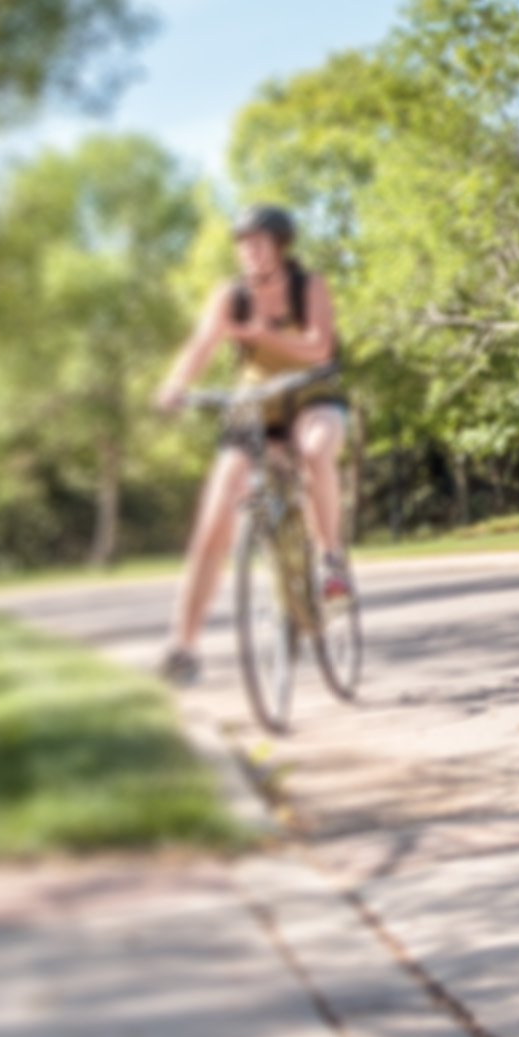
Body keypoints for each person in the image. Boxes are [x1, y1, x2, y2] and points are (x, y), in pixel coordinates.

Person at [151, 204, 356, 688]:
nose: (249, 252)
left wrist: (265, 336)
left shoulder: (310, 286)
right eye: (243, 244)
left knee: (315, 450)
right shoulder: (231, 295)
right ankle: (184, 646)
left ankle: (329, 563)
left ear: (280, 246)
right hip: (253, 407)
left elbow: (320, 347)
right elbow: (201, 344)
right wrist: (176, 384)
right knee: (215, 514)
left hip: (312, 396)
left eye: (259, 242)